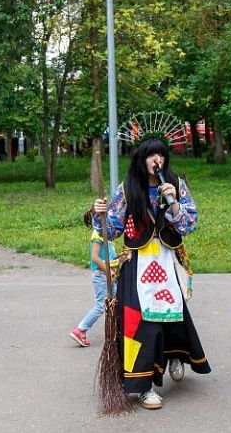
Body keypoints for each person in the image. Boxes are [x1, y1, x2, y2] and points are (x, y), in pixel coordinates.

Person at [92, 137, 208, 410]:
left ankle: (174, 355)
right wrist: (100, 214)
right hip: (136, 263)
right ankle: (144, 386)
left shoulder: (177, 185)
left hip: (167, 261)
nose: (157, 161)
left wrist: (174, 203)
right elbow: (112, 229)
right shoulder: (127, 188)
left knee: (172, 315)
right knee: (139, 323)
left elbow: (189, 225)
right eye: (151, 155)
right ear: (141, 159)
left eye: (161, 155)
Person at [69, 208, 117, 347]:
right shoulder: (97, 234)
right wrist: (109, 271)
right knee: (101, 306)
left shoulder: (107, 234)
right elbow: (95, 258)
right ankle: (80, 330)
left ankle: (116, 332)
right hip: (102, 276)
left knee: (116, 303)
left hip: (109, 275)